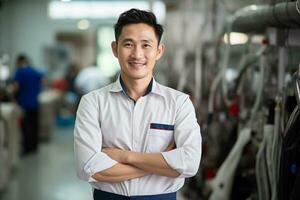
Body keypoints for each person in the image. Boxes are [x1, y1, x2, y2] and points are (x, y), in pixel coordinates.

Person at [74, 8, 202, 200]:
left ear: (159, 51)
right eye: (128, 44)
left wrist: (125, 156)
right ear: (114, 49)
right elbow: (87, 167)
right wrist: (162, 163)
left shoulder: (179, 103)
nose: (137, 54)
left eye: (146, 45)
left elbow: (190, 163)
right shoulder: (93, 103)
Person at [13, 55, 44, 155]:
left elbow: (16, 87)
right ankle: (34, 147)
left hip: (24, 104)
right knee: (34, 125)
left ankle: (27, 148)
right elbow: (44, 81)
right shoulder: (34, 71)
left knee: (26, 127)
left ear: (19, 62)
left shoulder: (19, 72)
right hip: (35, 103)